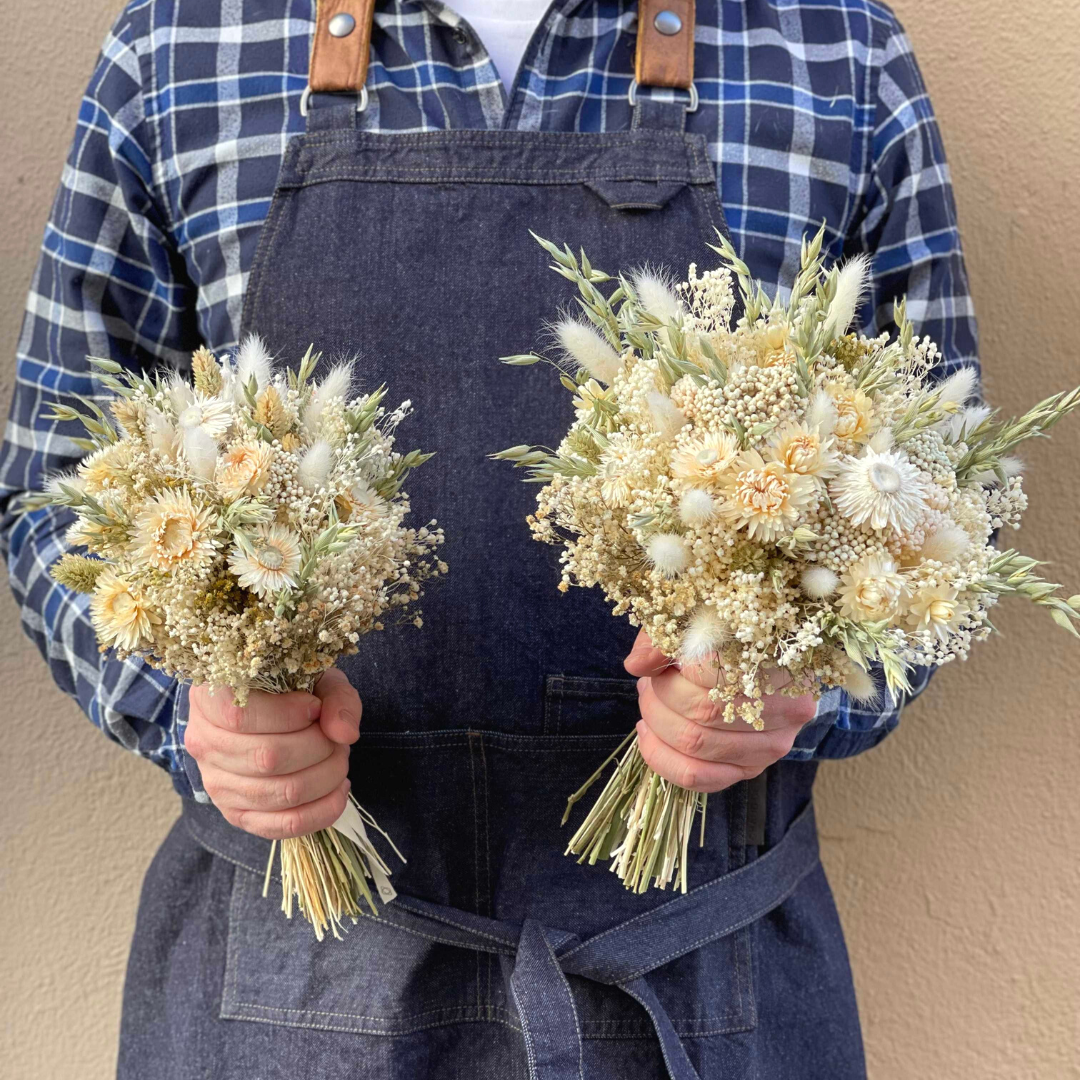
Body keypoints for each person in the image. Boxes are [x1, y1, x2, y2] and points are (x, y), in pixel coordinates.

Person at [0, 1, 978, 1077]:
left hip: (696, 981)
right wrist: (197, 701)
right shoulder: (183, 44)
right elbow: (54, 484)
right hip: (285, 985)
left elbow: (938, 502)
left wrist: (793, 685)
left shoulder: (836, 51)